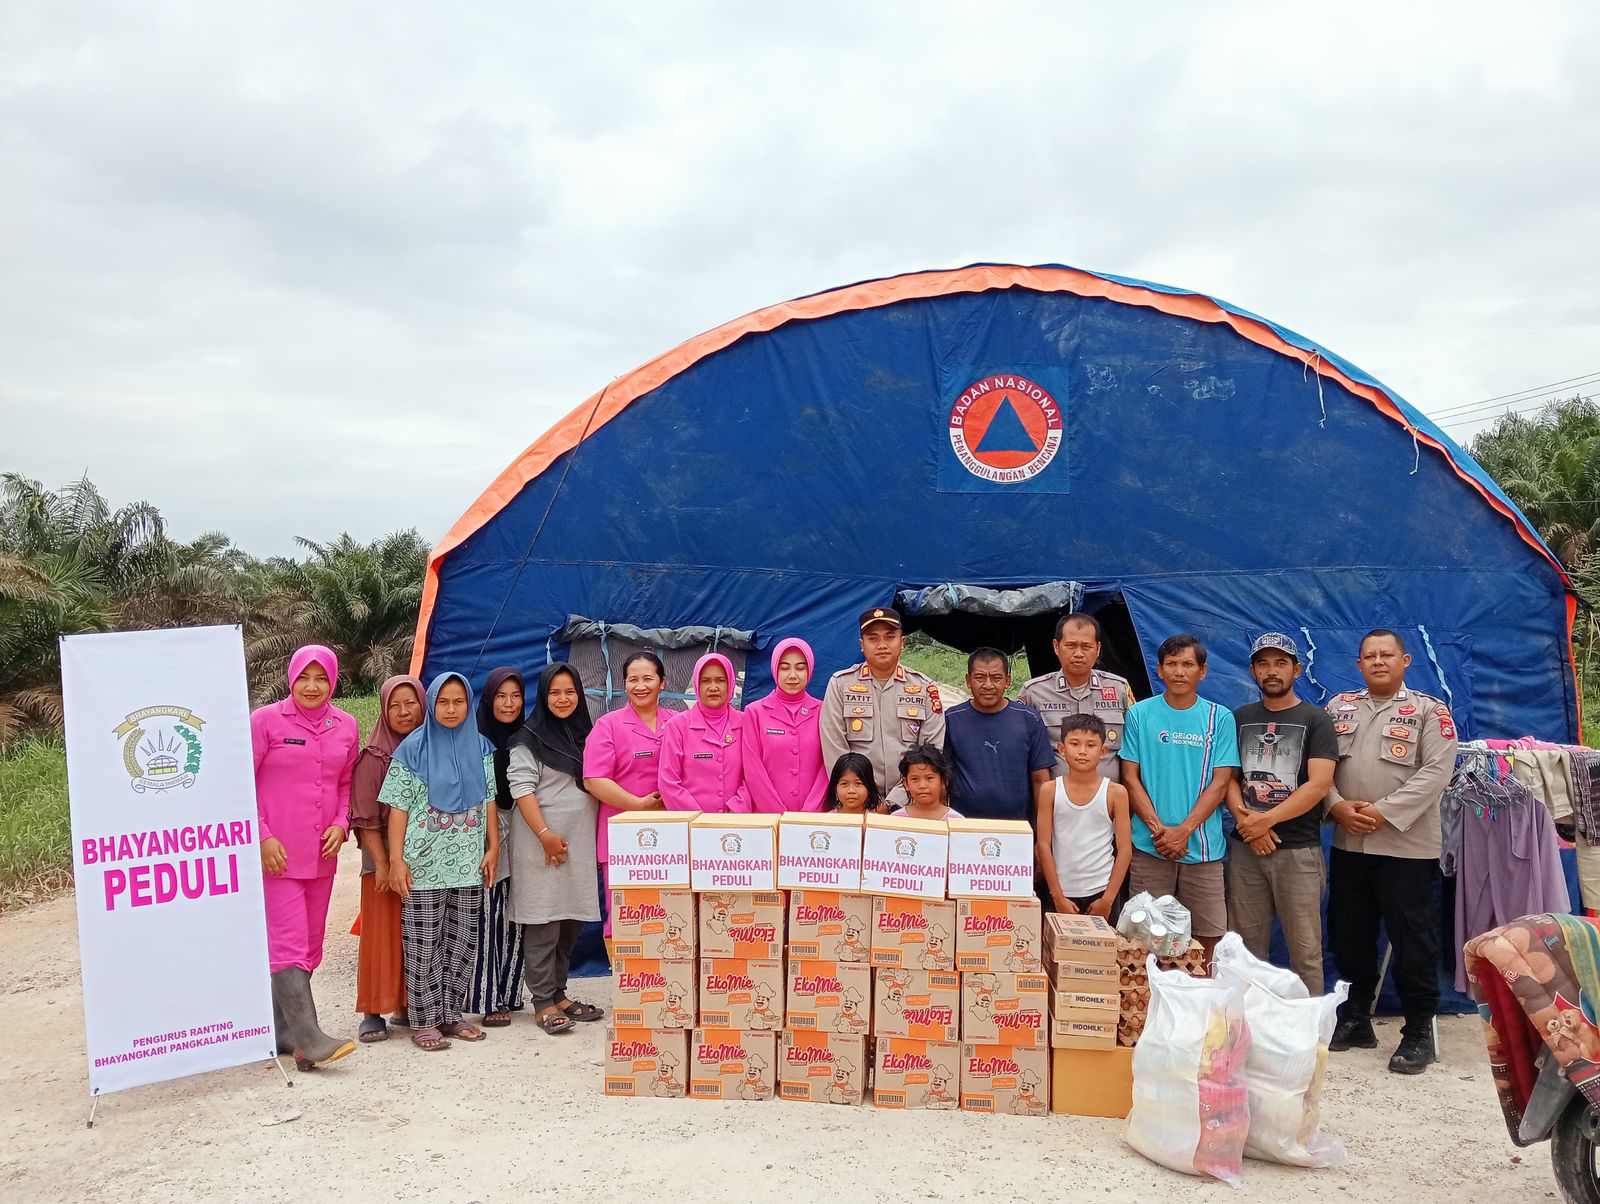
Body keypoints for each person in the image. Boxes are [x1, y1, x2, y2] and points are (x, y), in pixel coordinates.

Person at [1324, 629, 1458, 1075]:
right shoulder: (1337, 707)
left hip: (1406, 847)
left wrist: (1381, 812)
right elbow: (1316, 767)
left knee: (1413, 940)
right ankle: (1357, 1018)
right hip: (1349, 840)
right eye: (1369, 655)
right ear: (1357, 664)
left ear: (1405, 661)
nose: (1378, 661)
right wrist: (1337, 806)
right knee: (1350, 934)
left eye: (1387, 655)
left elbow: (1437, 772)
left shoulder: (1429, 712)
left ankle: (1417, 1031)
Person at [251, 644, 361, 1071]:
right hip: (276, 855)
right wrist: (261, 837)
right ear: (290, 678)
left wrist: (340, 822)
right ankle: (310, 1039)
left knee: (312, 945)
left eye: (321, 678)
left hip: (322, 854)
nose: (312, 686)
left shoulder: (345, 725)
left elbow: (345, 782)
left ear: (333, 681)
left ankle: (283, 1032)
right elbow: (240, 782)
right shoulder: (265, 721)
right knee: (289, 943)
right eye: (304, 678)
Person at [382, 672, 498, 1052]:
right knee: (423, 942)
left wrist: (493, 846)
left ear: (468, 704)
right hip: (423, 865)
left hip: (467, 863)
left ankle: (451, 1014)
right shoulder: (411, 750)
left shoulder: (481, 748)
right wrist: (397, 860)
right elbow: (398, 810)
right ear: (432, 704)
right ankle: (424, 1019)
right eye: (443, 702)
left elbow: (489, 802)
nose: (451, 709)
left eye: (458, 702)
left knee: (463, 940)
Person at [1223, 633, 1338, 996]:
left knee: (1305, 952)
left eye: (1281, 663)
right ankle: (1248, 1031)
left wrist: (1266, 821)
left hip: (1298, 853)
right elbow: (1228, 778)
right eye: (1264, 664)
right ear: (1254, 671)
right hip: (1246, 852)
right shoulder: (1239, 718)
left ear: (1297, 669)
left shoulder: (1316, 719)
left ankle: (1309, 1039)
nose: (1272, 671)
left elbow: (1318, 785)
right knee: (1245, 950)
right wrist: (1248, 825)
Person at [1120, 634, 1239, 966]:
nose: (1179, 671)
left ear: (1203, 671)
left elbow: (1220, 783)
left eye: (1188, 664)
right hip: (1149, 845)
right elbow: (1130, 776)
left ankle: (1200, 1013)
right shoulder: (1140, 714)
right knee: (1143, 939)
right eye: (1171, 664)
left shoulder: (1220, 718)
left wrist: (1183, 830)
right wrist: (1160, 831)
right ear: (1159, 670)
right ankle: (1149, 1012)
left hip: (1201, 849)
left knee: (1207, 940)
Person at [507, 663, 606, 1035]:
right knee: (544, 922)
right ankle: (542, 1002)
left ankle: (560, 994)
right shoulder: (527, 738)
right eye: (555, 692)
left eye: (570, 692)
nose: (563, 699)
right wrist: (545, 834)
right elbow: (522, 789)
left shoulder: (588, 735)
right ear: (543, 696)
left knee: (570, 921)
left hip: (576, 844)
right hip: (540, 845)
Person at [349, 672, 425, 1043]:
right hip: (380, 860)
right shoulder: (374, 756)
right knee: (382, 935)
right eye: (394, 705)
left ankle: (409, 1005)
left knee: (416, 935)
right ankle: (373, 1010)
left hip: (425, 860)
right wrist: (382, 863)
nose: (403, 711)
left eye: (410, 703)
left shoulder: (434, 749)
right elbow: (364, 818)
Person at [819, 607, 947, 804]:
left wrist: (894, 802)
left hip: (911, 804)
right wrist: (862, 797)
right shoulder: (840, 685)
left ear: (902, 642)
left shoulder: (924, 688)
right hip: (857, 803)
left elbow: (931, 752)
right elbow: (834, 747)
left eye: (889, 637)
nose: (882, 645)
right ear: (862, 644)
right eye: (873, 638)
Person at [582, 652, 668, 942]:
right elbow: (594, 779)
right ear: (624, 684)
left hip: (671, 838)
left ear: (662, 683)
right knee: (625, 918)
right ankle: (626, 983)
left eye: (648, 678)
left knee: (669, 916)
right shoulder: (608, 725)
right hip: (621, 837)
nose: (641, 686)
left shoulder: (679, 721)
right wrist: (640, 805)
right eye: (633, 679)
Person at [467, 667, 528, 1027]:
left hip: (521, 830)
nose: (508, 704)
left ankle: (509, 993)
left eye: (515, 696)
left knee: (516, 915)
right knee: (488, 914)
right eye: (501, 696)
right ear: (488, 699)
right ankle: (487, 996)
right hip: (483, 835)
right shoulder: (474, 741)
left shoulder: (528, 737)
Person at [1017, 612, 1135, 782]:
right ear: (1056, 647)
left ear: (1098, 649)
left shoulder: (1120, 688)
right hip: (1056, 802)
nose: (1078, 653)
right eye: (1071, 645)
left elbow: (1135, 749)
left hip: (1110, 801)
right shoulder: (1033, 692)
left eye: (1086, 646)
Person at [1035, 714, 1132, 918]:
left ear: (1103, 751)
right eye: (1074, 743)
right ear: (1062, 749)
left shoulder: (1116, 793)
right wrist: (1058, 896)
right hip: (1061, 891)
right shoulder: (1050, 790)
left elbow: (1124, 850)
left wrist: (1108, 899)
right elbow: (1044, 844)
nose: (1082, 751)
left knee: (1102, 949)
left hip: (1101, 891)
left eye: (1091, 745)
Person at [942, 647, 1055, 822]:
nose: (988, 685)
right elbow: (942, 779)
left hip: (1017, 827)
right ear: (968, 680)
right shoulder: (951, 719)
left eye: (996, 678)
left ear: (1007, 680)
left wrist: (1040, 833)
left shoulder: (1028, 718)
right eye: (980, 678)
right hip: (963, 827)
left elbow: (1040, 779)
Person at [741, 637, 828, 812]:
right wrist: (776, 813)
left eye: (800, 668)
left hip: (814, 818)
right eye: (785, 668)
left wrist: (810, 811)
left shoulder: (823, 711)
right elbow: (753, 770)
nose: (792, 675)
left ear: (809, 670)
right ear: (775, 669)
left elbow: (827, 765)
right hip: (768, 818)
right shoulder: (755, 712)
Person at [659, 652, 747, 812]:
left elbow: (754, 776)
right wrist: (697, 819)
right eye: (705, 681)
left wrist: (737, 808)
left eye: (720, 680)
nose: (713, 687)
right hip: (691, 825)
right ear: (697, 685)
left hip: (737, 825)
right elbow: (668, 781)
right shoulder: (678, 726)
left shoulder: (746, 723)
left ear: (731, 684)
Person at [890, 744, 962, 821]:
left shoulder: (956, 821)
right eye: (914, 779)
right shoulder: (896, 819)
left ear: (944, 781)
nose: (922, 785)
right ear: (906, 783)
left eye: (929, 778)